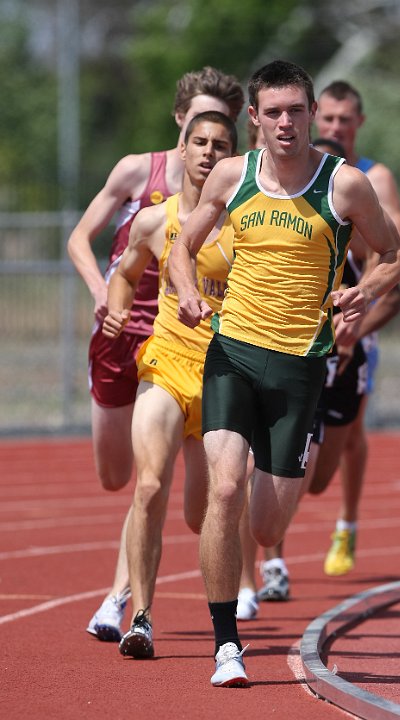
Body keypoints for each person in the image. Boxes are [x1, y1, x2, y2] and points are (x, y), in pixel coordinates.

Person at [168, 60, 400, 687]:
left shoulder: (345, 186)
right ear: (254, 118)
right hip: (232, 351)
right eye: (272, 111)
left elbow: (395, 254)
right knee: (225, 489)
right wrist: (190, 292)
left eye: (295, 111)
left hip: (301, 367)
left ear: (309, 114)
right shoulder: (233, 174)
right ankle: (227, 645)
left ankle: (288, 465)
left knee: (266, 523)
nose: (285, 122)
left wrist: (366, 292)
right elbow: (181, 248)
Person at [69, 68, 244, 641]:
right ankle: (135, 613)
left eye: (220, 143)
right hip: (156, 354)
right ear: (182, 131)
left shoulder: (248, 220)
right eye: (200, 139)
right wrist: (108, 301)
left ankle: (215, 577)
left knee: (203, 513)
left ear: (233, 151)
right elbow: (112, 264)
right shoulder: (149, 200)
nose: (208, 151)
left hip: (221, 372)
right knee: (135, 482)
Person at [310, 79, 400, 578]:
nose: (335, 127)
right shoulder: (298, 171)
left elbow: (396, 256)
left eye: (343, 120)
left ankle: (347, 525)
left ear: (359, 123)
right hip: (304, 320)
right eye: (327, 119)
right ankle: (272, 555)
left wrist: (358, 318)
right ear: (314, 118)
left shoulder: (375, 176)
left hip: (359, 313)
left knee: (350, 434)